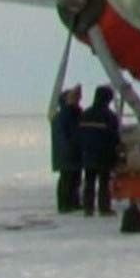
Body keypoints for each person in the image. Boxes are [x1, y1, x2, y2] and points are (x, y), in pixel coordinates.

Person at [77, 85, 121, 217]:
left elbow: (78, 135)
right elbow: (115, 137)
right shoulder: (110, 116)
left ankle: (88, 208)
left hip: (88, 154)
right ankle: (104, 208)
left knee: (89, 182)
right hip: (104, 155)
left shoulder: (85, 114)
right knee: (104, 182)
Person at [49, 85, 83, 213]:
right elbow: (66, 134)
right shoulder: (65, 115)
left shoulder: (71, 114)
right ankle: (65, 204)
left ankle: (72, 202)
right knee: (67, 179)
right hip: (67, 152)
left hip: (70, 152)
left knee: (74, 179)